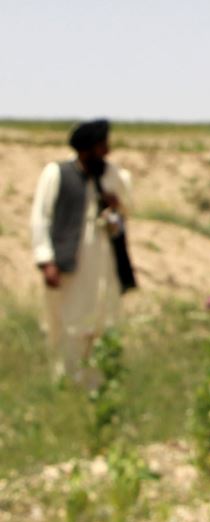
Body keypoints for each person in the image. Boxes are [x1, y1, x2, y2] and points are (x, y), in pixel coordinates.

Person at [31, 119, 136, 384]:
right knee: (70, 328)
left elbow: (127, 210)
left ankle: (98, 388)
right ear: (86, 150)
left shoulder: (113, 175)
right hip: (70, 268)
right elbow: (40, 218)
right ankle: (66, 386)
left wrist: (117, 204)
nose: (106, 153)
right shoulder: (57, 174)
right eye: (100, 147)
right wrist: (46, 260)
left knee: (104, 326)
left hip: (105, 265)